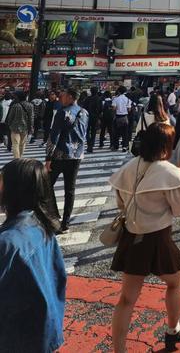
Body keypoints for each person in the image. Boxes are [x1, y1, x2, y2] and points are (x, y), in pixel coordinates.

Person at [109, 123, 180, 353]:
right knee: (174, 282)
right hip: (158, 237)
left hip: (132, 237)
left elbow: (120, 202)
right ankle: (173, 330)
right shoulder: (168, 172)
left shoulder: (129, 167)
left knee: (127, 298)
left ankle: (118, 350)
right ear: (166, 146)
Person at [0, 159, 66, 352]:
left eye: (2, 178)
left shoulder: (9, 242)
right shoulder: (40, 223)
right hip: (43, 328)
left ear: (14, 188)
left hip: (16, 337)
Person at [46, 88, 89, 233]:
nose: (60, 98)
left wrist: (48, 158)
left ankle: (52, 216)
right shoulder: (84, 113)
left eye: (62, 96)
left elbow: (54, 136)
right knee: (70, 190)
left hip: (60, 155)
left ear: (70, 97)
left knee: (46, 185)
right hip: (76, 155)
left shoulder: (62, 112)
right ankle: (65, 223)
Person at [5, 90, 34, 159]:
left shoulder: (15, 106)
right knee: (22, 144)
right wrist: (31, 126)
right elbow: (31, 117)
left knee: (15, 144)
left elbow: (10, 117)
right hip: (25, 127)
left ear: (18, 97)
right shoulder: (30, 105)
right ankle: (20, 157)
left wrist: (9, 124)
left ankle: (17, 159)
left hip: (15, 127)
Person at [112, 86, 132, 152]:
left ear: (119, 91)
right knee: (125, 133)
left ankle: (116, 146)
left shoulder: (115, 99)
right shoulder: (128, 99)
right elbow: (129, 109)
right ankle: (124, 146)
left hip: (117, 117)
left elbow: (114, 108)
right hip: (125, 117)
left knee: (116, 133)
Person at [85, 86, 102, 154]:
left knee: (87, 131)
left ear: (91, 91)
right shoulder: (99, 99)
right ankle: (91, 145)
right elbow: (100, 109)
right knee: (93, 132)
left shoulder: (87, 99)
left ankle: (89, 143)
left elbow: (84, 107)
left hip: (87, 117)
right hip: (95, 117)